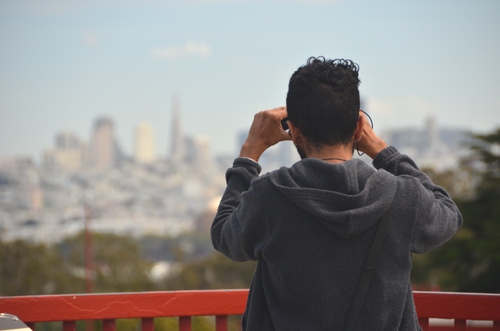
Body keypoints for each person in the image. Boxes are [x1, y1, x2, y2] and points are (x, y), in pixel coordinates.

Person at [211, 57, 462, 330]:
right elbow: (448, 214)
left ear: (293, 131)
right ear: (357, 128)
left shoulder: (270, 196)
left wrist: (250, 152)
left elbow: (224, 234)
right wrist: (381, 149)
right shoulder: (401, 197)